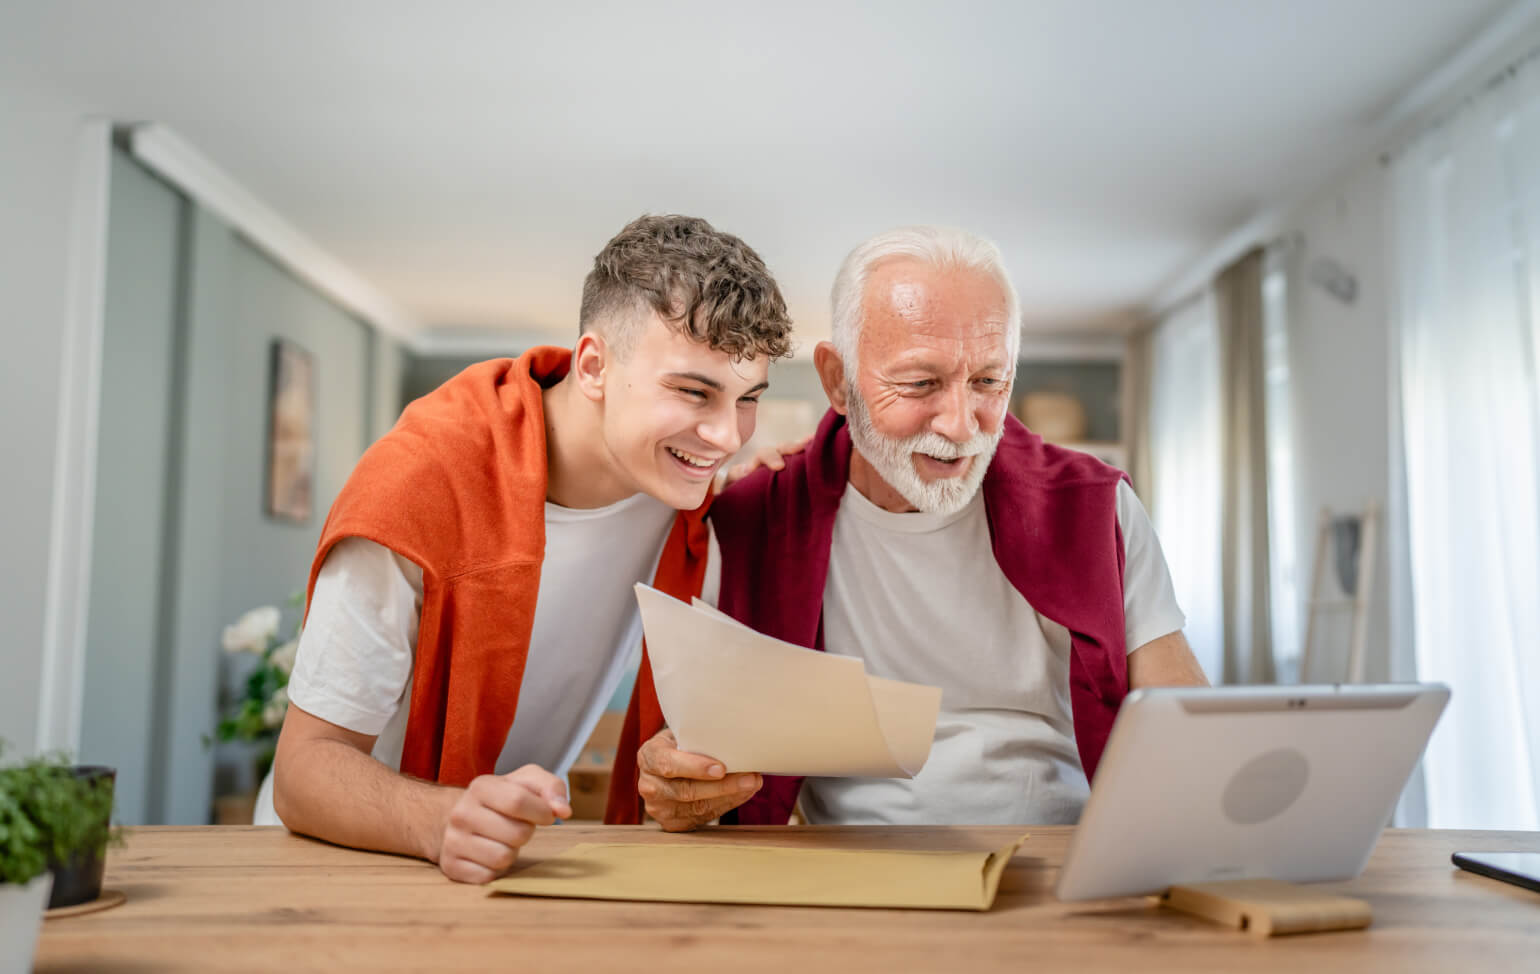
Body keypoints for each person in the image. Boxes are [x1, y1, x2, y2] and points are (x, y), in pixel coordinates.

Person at [614, 225, 1208, 831]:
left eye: (988, 381)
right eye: (920, 383)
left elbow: (1182, 726)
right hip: (850, 867)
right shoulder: (752, 517)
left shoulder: (1094, 506)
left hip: (1063, 849)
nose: (959, 425)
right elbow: (691, 745)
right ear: (837, 381)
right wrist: (679, 782)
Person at [261, 214, 793, 882]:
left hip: (502, 870)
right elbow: (304, 771)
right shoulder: (419, 483)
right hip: (333, 866)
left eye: (748, 399)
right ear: (595, 366)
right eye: (694, 391)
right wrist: (438, 819)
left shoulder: (685, 497)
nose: (724, 434)